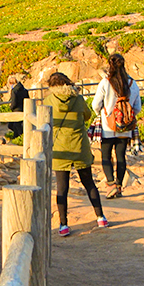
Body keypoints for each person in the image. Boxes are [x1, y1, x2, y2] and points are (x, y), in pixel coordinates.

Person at [46, 71, 106, 236]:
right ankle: (100, 217)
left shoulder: (48, 100)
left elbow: (43, 120)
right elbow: (87, 116)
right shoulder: (78, 98)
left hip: (60, 148)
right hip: (79, 145)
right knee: (89, 183)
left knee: (62, 188)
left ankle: (63, 225)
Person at [93, 54, 140, 199]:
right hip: (125, 127)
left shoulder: (106, 82)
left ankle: (111, 184)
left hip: (108, 126)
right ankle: (119, 186)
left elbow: (96, 104)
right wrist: (127, 116)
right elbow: (137, 107)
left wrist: (102, 113)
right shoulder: (132, 83)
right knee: (121, 156)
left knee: (106, 155)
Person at [6, 75, 29, 141]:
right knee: (16, 125)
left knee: (14, 125)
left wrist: (11, 107)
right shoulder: (24, 89)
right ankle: (16, 137)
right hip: (23, 108)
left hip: (16, 110)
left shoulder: (14, 91)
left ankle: (21, 137)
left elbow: (14, 102)